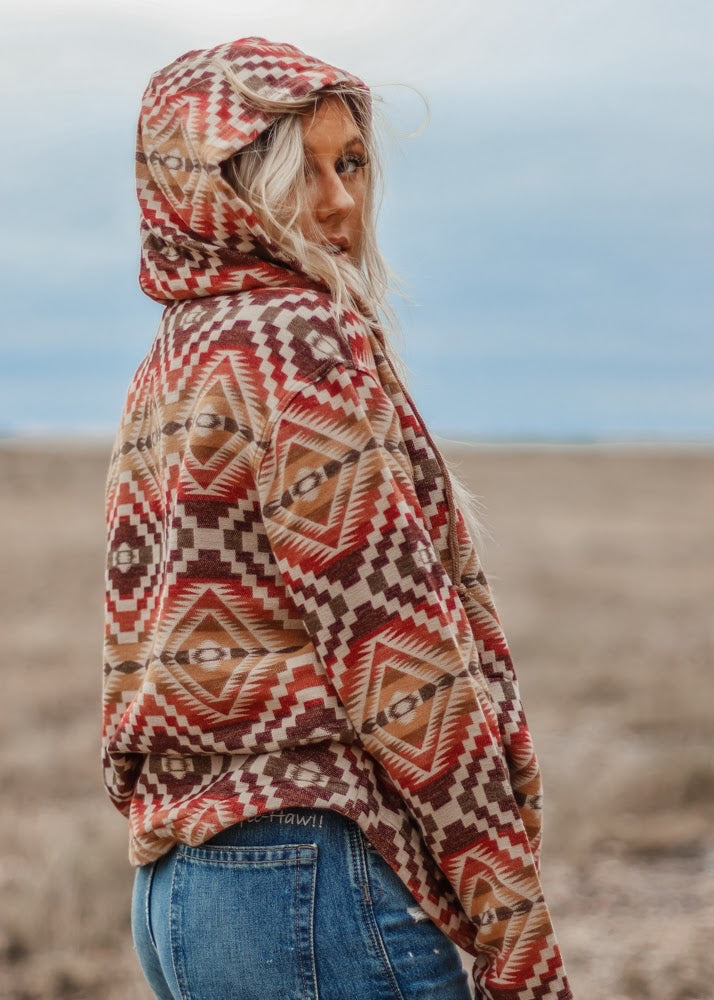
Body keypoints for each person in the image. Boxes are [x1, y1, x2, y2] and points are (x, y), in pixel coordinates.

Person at [103, 37, 572, 1000]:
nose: (339, 203)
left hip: (178, 894)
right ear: (217, 187)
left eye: (350, 163)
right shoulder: (301, 337)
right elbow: (401, 663)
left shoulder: (173, 361)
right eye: (297, 170)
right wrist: (516, 933)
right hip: (312, 877)